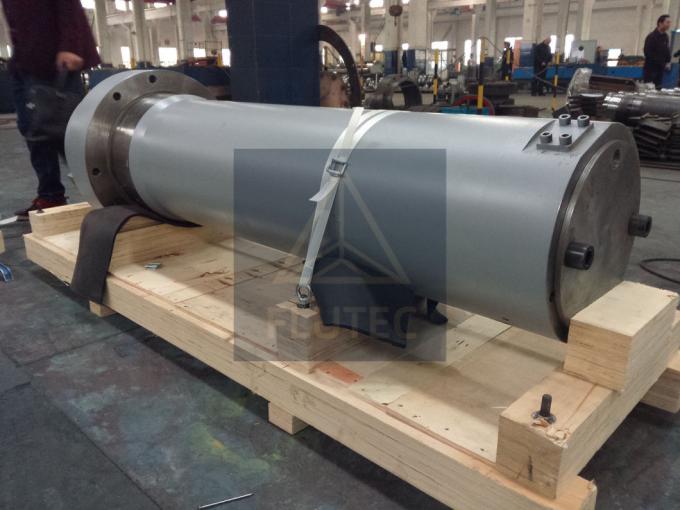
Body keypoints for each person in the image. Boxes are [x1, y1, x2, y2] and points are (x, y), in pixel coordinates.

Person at [1, 0, 100, 219]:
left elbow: (68, 6)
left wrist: (70, 46)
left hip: (54, 59)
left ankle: (106, 189)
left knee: (67, 130)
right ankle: (51, 194)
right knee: (33, 130)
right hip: (25, 61)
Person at [643, 14, 672, 90]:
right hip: (651, 69)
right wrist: (660, 62)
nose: (669, 25)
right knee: (649, 90)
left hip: (660, 69)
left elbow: (666, 50)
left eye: (670, 22)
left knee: (658, 89)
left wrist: (668, 61)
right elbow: (647, 53)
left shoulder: (665, 37)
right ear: (660, 23)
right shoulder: (652, 37)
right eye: (667, 22)